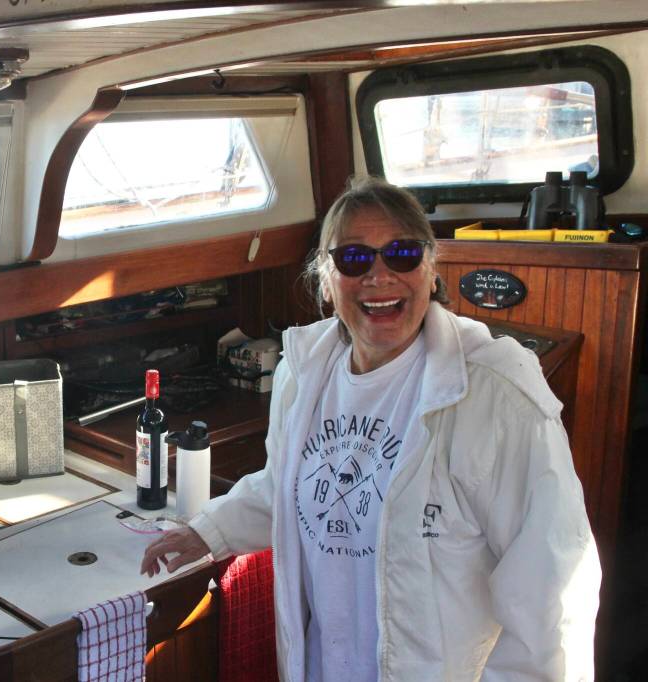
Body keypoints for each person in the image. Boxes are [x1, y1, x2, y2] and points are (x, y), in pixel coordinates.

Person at [140, 177, 600, 681]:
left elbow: (551, 590)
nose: (379, 276)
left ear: (430, 269)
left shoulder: (495, 393)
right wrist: (208, 531)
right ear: (326, 279)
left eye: (402, 254)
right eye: (354, 258)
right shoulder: (303, 372)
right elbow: (288, 487)